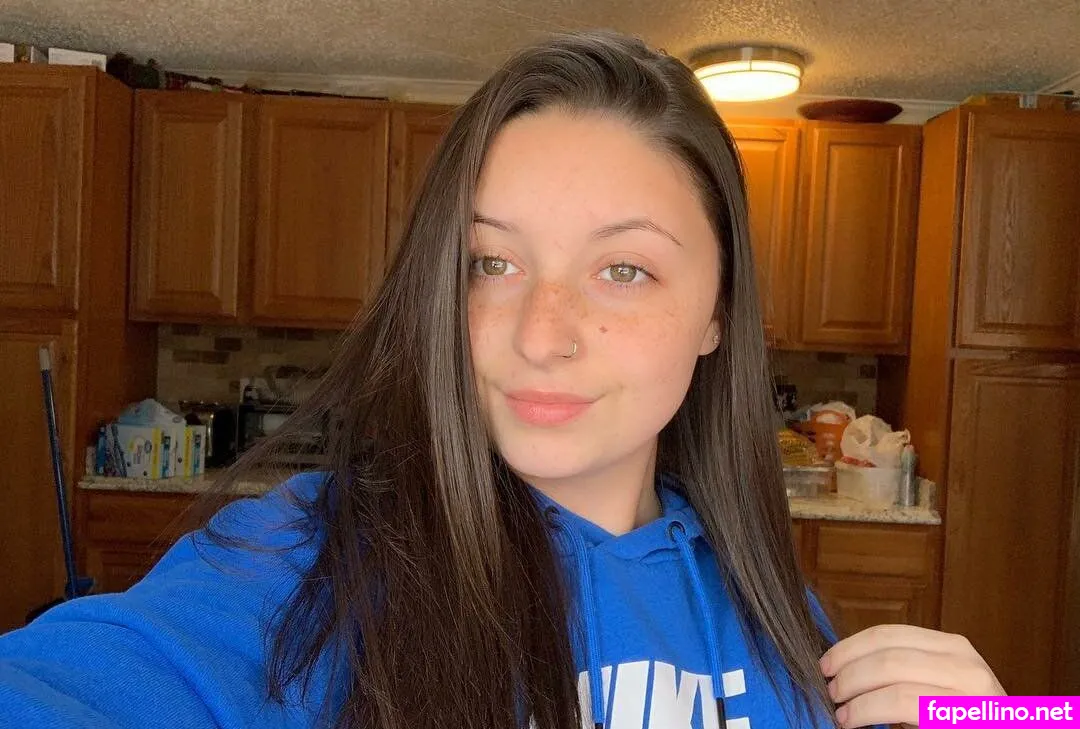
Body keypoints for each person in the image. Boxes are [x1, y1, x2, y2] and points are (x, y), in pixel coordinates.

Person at [0, 30, 1003, 729]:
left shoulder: (779, 608)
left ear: (717, 313)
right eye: (491, 262)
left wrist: (1012, 717)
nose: (541, 334)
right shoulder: (312, 564)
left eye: (623, 269)